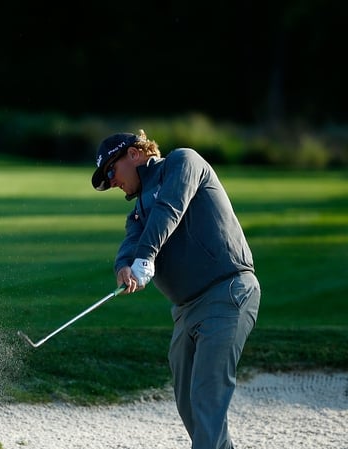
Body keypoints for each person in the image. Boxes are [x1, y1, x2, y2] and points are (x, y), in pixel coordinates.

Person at [91, 129, 261, 449]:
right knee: (188, 401)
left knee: (207, 395)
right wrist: (124, 267)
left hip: (226, 292)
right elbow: (130, 244)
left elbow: (170, 207)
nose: (112, 182)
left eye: (111, 171)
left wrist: (146, 256)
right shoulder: (138, 213)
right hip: (186, 311)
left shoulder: (184, 162)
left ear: (134, 154)